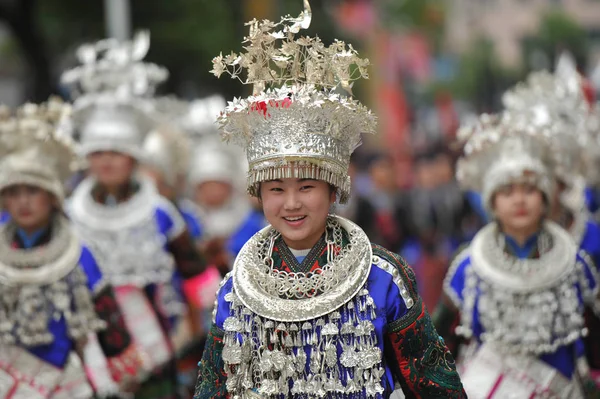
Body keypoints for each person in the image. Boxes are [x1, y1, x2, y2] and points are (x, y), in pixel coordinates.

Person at [194, 4, 466, 398]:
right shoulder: (236, 290)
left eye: (306, 187)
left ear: (333, 189)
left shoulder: (383, 277)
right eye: (275, 189)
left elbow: (434, 385)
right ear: (258, 196)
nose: (291, 203)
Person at [62, 33, 206, 398]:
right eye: (98, 152)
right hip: (86, 358)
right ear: (86, 158)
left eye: (116, 150)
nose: (107, 159)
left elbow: (198, 279)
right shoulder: (67, 216)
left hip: (159, 349)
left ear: (133, 157)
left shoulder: (161, 213)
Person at [434, 112, 599, 397]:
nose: (519, 200)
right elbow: (440, 346)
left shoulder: (574, 263)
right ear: (493, 202)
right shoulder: (469, 267)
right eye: (507, 191)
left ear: (546, 198)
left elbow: (595, 343)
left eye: (530, 190)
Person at [0, 99, 140, 398]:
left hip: (65, 382)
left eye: (32, 191)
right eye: (13, 192)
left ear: (52, 197)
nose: (23, 201)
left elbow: (109, 325)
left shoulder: (79, 254)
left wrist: (124, 371)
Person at [186, 97, 265, 276]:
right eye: (206, 186)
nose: (212, 192)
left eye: (218, 185)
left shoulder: (246, 218)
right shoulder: (191, 217)